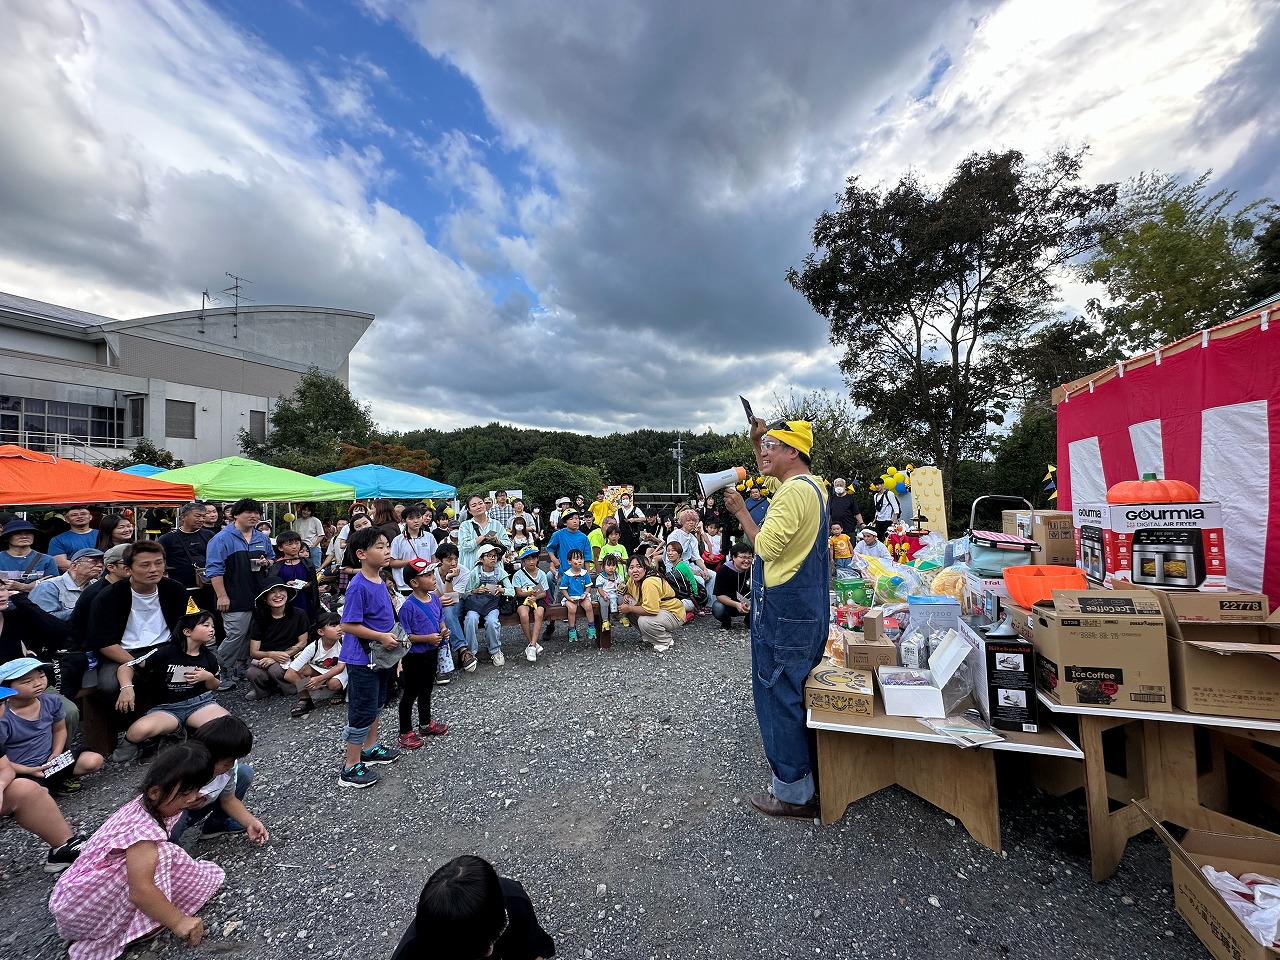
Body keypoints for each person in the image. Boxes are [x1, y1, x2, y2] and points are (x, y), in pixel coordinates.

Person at [723, 418, 828, 820]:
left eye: (772, 445)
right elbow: (769, 478)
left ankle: (793, 794)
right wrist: (756, 439)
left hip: (784, 614)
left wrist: (740, 512)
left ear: (793, 452)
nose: (764, 452)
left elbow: (764, 545)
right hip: (808, 611)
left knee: (778, 697)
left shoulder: (789, 496)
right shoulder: (811, 487)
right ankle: (808, 775)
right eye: (762, 445)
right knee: (797, 693)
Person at [49, 742, 225, 957]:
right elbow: (140, 891)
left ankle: (153, 911)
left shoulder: (144, 805)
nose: (191, 798)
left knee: (165, 855)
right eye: (185, 793)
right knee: (161, 857)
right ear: (154, 792)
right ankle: (138, 926)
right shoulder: (143, 833)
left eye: (196, 790)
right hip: (81, 910)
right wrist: (178, 921)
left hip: (73, 897)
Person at [114, 604, 228, 760]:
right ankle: (175, 732)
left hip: (200, 704)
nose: (212, 629)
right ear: (187, 631)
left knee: (226, 728)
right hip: (168, 708)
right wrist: (127, 687)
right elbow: (127, 667)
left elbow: (215, 685)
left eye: (213, 626)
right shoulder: (166, 652)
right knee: (137, 732)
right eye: (205, 625)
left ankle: (189, 731)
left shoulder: (210, 657)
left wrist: (208, 677)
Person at [391, 854, 555, 960]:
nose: (490, 950)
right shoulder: (411, 953)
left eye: (494, 939)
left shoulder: (513, 900)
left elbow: (534, 950)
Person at [337, 527, 402, 789]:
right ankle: (350, 766)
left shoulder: (379, 579)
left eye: (387, 545)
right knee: (362, 710)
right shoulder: (358, 586)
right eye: (379, 546)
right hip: (363, 657)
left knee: (376, 704)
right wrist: (382, 636)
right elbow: (347, 624)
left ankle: (370, 748)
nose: (386, 550)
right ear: (361, 554)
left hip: (381, 657)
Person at [87, 540, 189, 703]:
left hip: (166, 647)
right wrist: (139, 663)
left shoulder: (174, 589)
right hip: (124, 653)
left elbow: (190, 624)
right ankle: (126, 724)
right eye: (145, 565)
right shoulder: (107, 597)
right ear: (128, 569)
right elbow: (104, 642)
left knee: (205, 665)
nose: (154, 570)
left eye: (158, 563)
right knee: (109, 685)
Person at [0, 683, 88, 871]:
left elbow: (5, 769)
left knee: (27, 788)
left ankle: (63, 848)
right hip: (32, 766)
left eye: (1, 703)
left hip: (41, 768)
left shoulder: (50, 703)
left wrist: (0, 786)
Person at [0, 657, 104, 794]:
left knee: (93, 760)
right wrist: (29, 770)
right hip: (20, 770)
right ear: (7, 689)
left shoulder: (51, 702)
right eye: (27, 681)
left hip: (50, 763)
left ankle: (55, 782)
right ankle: (50, 786)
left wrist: (56, 753)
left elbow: (59, 729)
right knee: (31, 790)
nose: (38, 683)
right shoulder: (3, 717)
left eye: (41, 676)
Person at [203, 499, 275, 690]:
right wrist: (222, 596)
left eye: (257, 513)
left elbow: (272, 558)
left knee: (251, 632)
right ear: (235, 515)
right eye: (248, 512)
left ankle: (241, 666)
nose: (254, 516)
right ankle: (217, 670)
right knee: (236, 633)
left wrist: (266, 562)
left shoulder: (262, 537)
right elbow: (214, 570)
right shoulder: (221, 538)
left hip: (258, 594)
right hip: (234, 594)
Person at [170, 715, 269, 845]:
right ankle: (167, 852)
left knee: (244, 772)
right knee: (174, 825)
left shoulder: (227, 769)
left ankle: (218, 823)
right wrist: (184, 801)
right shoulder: (184, 770)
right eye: (227, 762)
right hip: (175, 812)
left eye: (234, 759)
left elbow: (228, 800)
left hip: (202, 805)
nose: (231, 765)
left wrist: (251, 822)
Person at [395, 559, 448, 749]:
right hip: (414, 655)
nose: (433, 579)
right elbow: (405, 636)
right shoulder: (408, 606)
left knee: (427, 688)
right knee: (411, 692)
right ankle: (405, 731)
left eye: (433, 574)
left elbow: (440, 618)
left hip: (431, 651)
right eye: (427, 576)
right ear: (414, 582)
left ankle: (425, 723)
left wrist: (443, 630)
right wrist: (427, 638)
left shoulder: (434, 598)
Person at [245, 584, 309, 701]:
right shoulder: (259, 618)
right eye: (272, 592)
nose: (278, 595)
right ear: (265, 598)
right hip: (267, 657)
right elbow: (253, 651)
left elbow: (302, 643)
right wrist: (271, 655)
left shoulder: (299, 614)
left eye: (281, 590)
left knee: (275, 669)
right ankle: (268, 689)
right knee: (252, 673)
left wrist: (277, 658)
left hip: (292, 655)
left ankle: (296, 688)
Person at [158, 502, 219, 619]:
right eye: (197, 516)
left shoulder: (210, 535)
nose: (201, 519)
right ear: (183, 517)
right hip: (181, 588)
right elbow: (161, 561)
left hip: (206, 587)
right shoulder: (167, 538)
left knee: (208, 618)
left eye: (203, 516)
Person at [284, 611, 347, 717]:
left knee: (333, 683)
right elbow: (289, 674)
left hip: (340, 671)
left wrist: (318, 679)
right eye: (333, 625)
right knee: (301, 670)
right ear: (321, 632)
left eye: (340, 624)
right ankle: (305, 698)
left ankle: (341, 690)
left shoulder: (344, 641)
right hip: (322, 671)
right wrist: (306, 686)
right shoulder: (314, 646)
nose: (339, 628)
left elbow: (341, 667)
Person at [618, 556, 684, 652]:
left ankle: (664, 640)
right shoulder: (632, 580)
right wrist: (627, 595)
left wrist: (630, 608)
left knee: (644, 620)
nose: (635, 570)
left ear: (645, 568)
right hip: (660, 612)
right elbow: (628, 590)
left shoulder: (649, 582)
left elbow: (651, 610)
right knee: (630, 609)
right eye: (631, 567)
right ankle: (650, 635)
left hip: (673, 613)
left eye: (638, 566)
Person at [462, 544, 514, 665]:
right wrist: (475, 591)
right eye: (489, 556)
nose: (493, 558)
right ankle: (471, 652)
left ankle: (495, 650)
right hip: (475, 605)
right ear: (481, 559)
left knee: (492, 621)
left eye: (495, 556)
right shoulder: (474, 573)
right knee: (471, 619)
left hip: (492, 605)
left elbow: (511, 591)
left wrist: (502, 590)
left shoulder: (500, 572)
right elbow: (464, 594)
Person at [31, 547, 103, 620]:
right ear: (74, 566)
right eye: (94, 561)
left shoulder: (98, 586)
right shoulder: (49, 586)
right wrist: (83, 610)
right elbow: (43, 619)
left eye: (102, 562)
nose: (100, 565)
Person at [434, 542, 473, 673]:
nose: (453, 562)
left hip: (458, 603)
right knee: (445, 610)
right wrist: (440, 599)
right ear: (440, 561)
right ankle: (463, 650)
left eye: (456, 558)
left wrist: (449, 579)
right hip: (437, 603)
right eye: (449, 559)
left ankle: (455, 652)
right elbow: (433, 596)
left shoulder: (464, 572)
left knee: (448, 609)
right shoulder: (431, 572)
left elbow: (452, 598)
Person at [545, 509, 592, 608]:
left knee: (580, 596)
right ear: (565, 522)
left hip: (580, 574)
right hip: (564, 572)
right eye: (571, 519)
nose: (575, 521)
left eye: (577, 518)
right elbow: (550, 548)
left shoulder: (584, 537)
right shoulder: (558, 534)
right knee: (559, 597)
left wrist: (587, 573)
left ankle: (573, 618)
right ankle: (552, 621)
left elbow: (587, 557)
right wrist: (554, 559)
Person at [269, 530, 319, 619]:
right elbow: (272, 586)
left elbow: (313, 582)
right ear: (280, 548)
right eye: (289, 544)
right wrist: (285, 586)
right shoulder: (277, 566)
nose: (294, 547)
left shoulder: (308, 563)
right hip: (286, 602)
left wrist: (306, 585)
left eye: (297, 543)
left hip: (305, 600)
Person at [389, 505, 439, 595]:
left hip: (425, 584)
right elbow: (392, 562)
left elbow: (433, 558)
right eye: (411, 518)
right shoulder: (398, 540)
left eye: (418, 517)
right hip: (404, 586)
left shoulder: (429, 537)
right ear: (404, 521)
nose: (416, 521)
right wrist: (411, 562)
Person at [0, 518, 59, 593]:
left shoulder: (47, 560)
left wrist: (23, 587)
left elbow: (53, 588)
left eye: (28, 533)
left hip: (37, 604)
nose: (24, 536)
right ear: (7, 537)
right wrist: (35, 585)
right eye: (18, 533)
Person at [457, 494, 511, 572]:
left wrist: (496, 541)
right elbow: (465, 546)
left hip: (494, 569)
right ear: (469, 510)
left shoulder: (496, 524)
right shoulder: (465, 525)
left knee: (493, 584)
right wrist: (482, 538)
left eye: (480, 503)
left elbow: (508, 544)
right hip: (471, 567)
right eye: (474, 505)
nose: (478, 507)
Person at [512, 547, 548, 662]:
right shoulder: (518, 575)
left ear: (538, 559)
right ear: (523, 561)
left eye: (534, 558)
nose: (531, 562)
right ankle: (532, 644)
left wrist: (535, 597)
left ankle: (532, 646)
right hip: (523, 598)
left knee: (539, 613)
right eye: (527, 559)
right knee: (523, 614)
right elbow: (518, 593)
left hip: (537, 598)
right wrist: (529, 594)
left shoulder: (541, 574)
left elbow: (544, 593)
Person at [712, 542, 753, 630]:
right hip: (730, 603)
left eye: (749, 557)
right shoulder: (724, 570)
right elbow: (719, 595)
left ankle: (750, 621)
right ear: (733, 557)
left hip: (749, 603)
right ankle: (726, 622)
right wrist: (736, 604)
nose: (747, 561)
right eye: (743, 557)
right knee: (717, 607)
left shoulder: (754, 570)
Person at [558, 548, 595, 644]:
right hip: (570, 597)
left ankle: (591, 626)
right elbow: (563, 589)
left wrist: (585, 594)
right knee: (572, 609)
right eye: (576, 559)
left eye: (581, 559)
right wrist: (568, 598)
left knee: (589, 606)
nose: (579, 561)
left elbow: (588, 586)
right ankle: (572, 629)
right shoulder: (567, 574)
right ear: (569, 561)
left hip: (582, 596)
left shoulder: (584, 573)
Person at [48, 505, 98, 572]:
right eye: (74, 515)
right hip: (74, 578)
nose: (80, 516)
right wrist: (87, 570)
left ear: (90, 517)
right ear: (66, 519)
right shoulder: (57, 540)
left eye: (83, 514)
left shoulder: (103, 535)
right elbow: (61, 563)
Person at [594, 553, 627, 631]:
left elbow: (621, 584)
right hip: (604, 594)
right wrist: (603, 595)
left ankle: (624, 617)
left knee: (622, 599)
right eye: (608, 566)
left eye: (613, 566)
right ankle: (605, 620)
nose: (611, 568)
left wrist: (621, 589)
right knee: (604, 603)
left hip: (615, 593)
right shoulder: (601, 577)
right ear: (603, 567)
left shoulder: (617, 576)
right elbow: (600, 588)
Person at [291, 502, 326, 569]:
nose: (306, 512)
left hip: (313, 548)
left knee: (315, 568)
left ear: (311, 512)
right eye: (304, 510)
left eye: (308, 511)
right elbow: (294, 536)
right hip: (300, 548)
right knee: (300, 567)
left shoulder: (316, 520)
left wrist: (313, 546)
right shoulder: (297, 522)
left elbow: (321, 535)